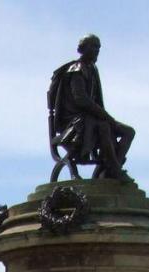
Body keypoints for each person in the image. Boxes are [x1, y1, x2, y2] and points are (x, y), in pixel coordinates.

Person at [47, 34, 135, 181]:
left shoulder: (92, 70)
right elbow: (81, 100)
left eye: (98, 47)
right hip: (74, 124)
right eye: (93, 47)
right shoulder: (76, 70)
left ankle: (110, 169)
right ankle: (113, 168)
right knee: (104, 126)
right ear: (83, 49)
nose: (96, 50)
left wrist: (105, 117)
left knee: (128, 132)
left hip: (92, 119)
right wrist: (106, 116)